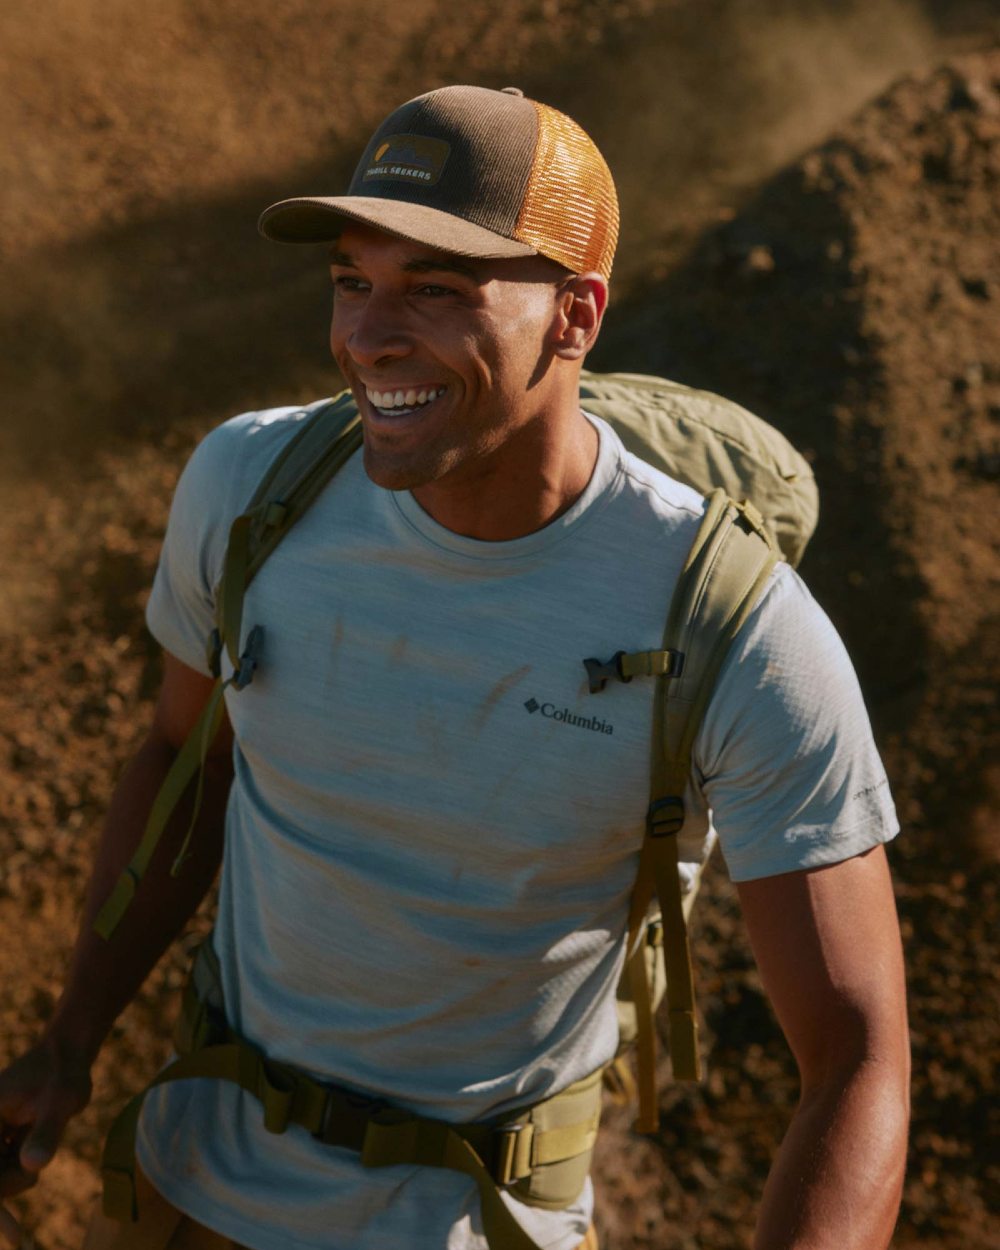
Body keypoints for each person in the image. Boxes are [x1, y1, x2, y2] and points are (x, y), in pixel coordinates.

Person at [0, 85, 909, 1250]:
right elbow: (187, 757)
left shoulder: (727, 622)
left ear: (574, 318)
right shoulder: (248, 492)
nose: (368, 336)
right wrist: (73, 1035)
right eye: (352, 279)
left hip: (476, 1223)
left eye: (435, 289)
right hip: (188, 1196)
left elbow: (858, 1053)